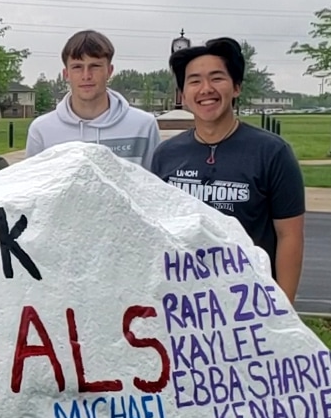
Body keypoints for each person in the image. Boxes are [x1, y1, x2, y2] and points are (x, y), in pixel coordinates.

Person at [152, 36, 305, 301]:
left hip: (250, 303)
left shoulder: (272, 152)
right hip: (184, 302)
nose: (206, 89)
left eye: (217, 78)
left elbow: (289, 235)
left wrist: (283, 307)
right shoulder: (166, 155)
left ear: (236, 87)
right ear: (183, 94)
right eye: (195, 81)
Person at [25, 29, 160, 167]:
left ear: (109, 71)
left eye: (95, 66)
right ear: (66, 74)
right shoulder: (41, 130)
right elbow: (34, 186)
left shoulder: (143, 126)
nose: (86, 75)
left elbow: (155, 185)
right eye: (77, 67)